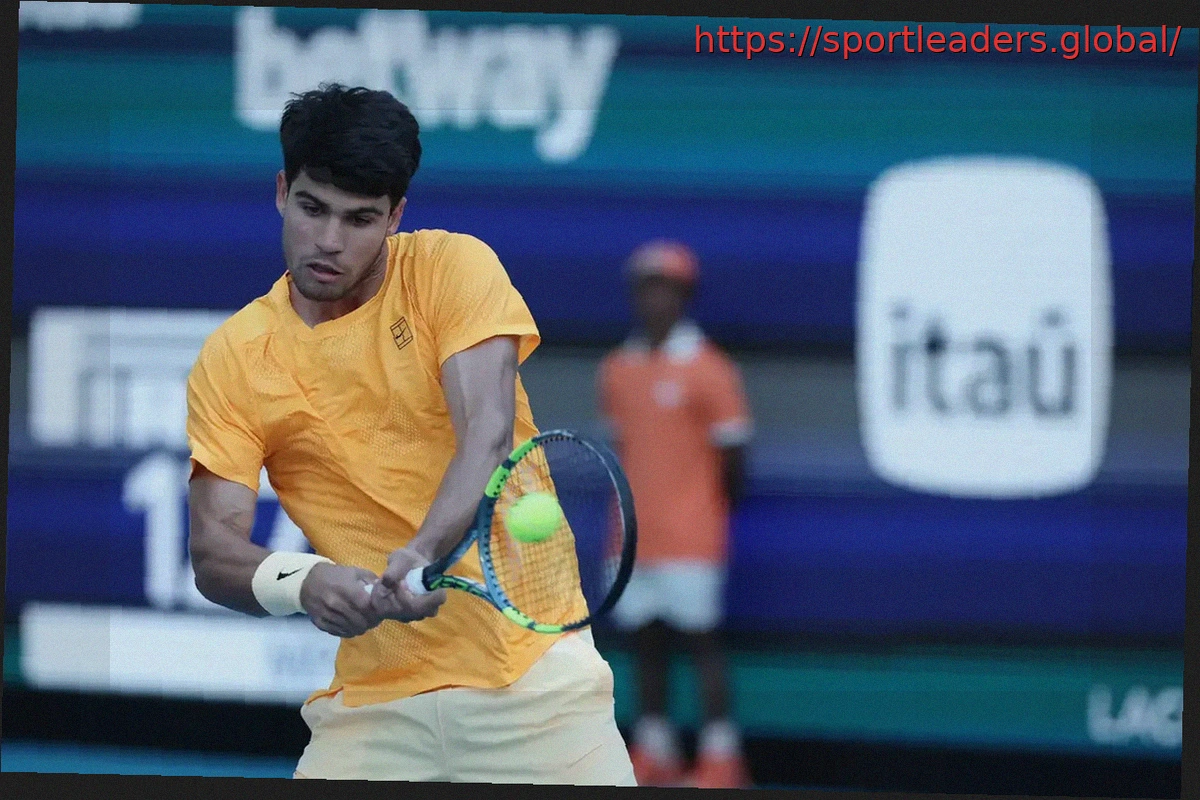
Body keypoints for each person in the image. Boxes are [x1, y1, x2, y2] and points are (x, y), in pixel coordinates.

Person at [185, 83, 635, 785]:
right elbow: (215, 551)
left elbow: (486, 436)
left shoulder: (452, 269)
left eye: (360, 218)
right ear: (281, 192)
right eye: (312, 208)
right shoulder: (235, 358)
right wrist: (303, 582)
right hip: (375, 707)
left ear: (395, 215)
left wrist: (423, 553)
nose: (329, 241)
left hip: (534, 686)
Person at [597, 240, 754, 789]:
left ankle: (721, 758)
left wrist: (702, 515)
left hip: (692, 538)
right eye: (645, 287)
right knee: (644, 644)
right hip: (630, 540)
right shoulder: (617, 368)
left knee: (702, 644)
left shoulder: (711, 369)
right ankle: (655, 749)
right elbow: (624, 452)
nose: (654, 299)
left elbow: (735, 460)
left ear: (685, 296)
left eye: (665, 288)